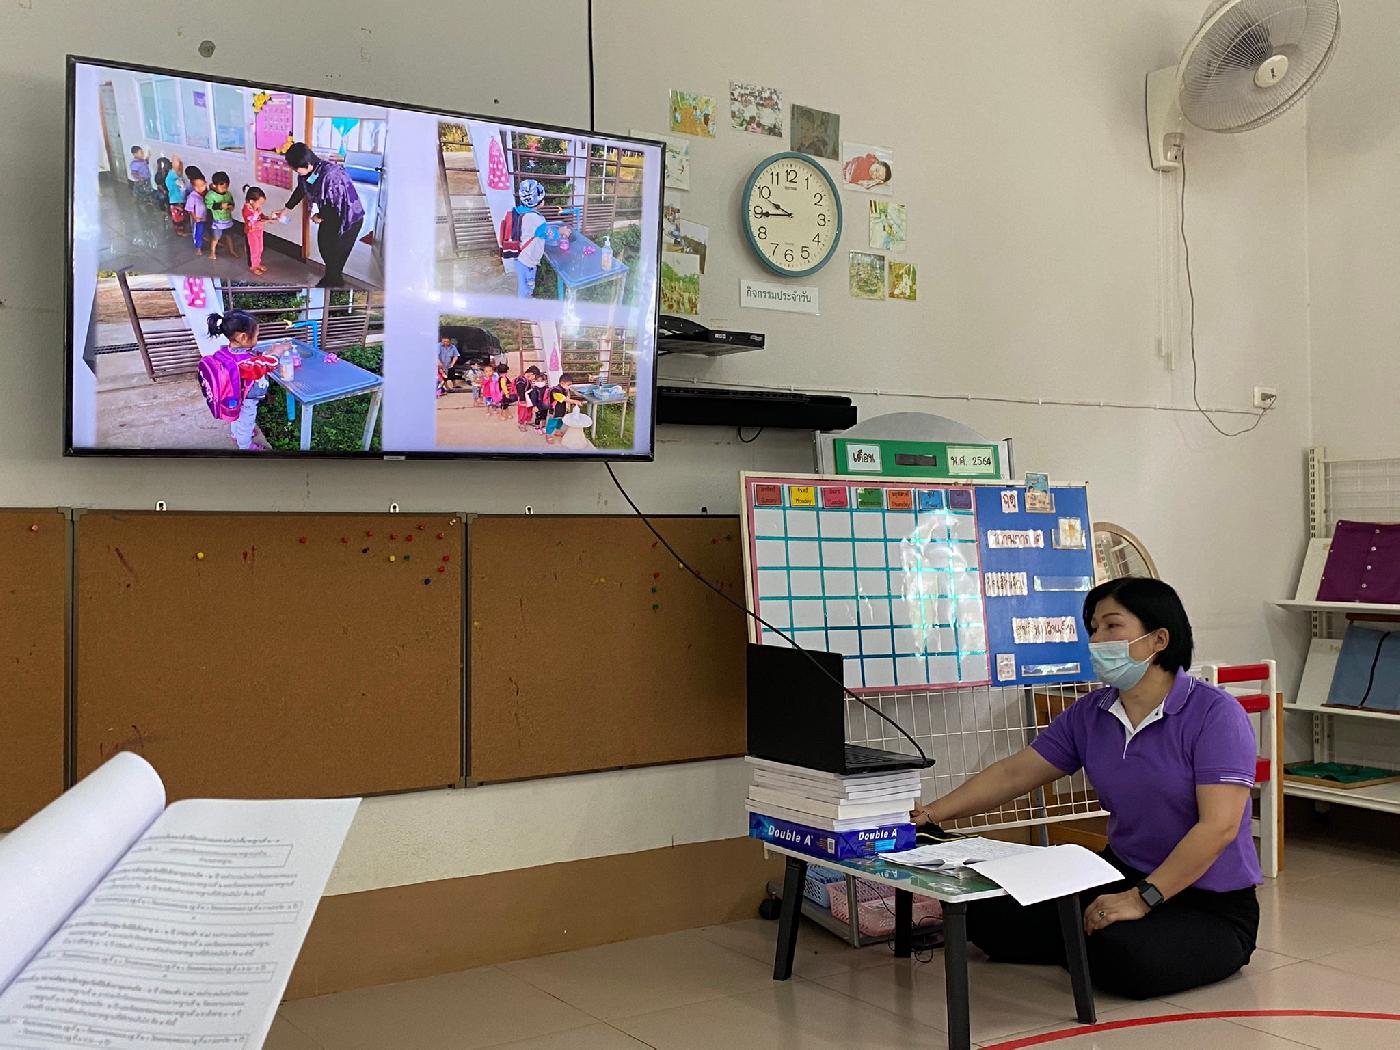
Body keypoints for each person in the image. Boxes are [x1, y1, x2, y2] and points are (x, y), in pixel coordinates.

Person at [909, 577, 1261, 1001]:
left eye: (1112, 626)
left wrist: (1142, 898)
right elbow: (1014, 774)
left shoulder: (1216, 714)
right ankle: (1081, 938)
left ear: (1159, 639)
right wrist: (932, 814)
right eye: (1093, 628)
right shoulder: (1092, 712)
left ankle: (1088, 938)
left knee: (1127, 958)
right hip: (1120, 872)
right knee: (985, 915)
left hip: (1208, 901)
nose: (1097, 640)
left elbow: (1219, 828)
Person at [273, 142, 366, 288]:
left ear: (308, 164)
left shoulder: (331, 175)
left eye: (296, 169)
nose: (296, 172)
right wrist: (286, 209)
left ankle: (332, 282)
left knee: (336, 254)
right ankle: (333, 279)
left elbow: (335, 204)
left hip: (349, 217)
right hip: (330, 214)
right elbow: (301, 190)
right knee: (325, 247)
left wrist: (319, 216)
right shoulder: (307, 173)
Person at [207, 310, 278, 451]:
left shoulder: (224, 352)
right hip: (247, 400)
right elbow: (266, 365)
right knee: (246, 423)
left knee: (236, 417)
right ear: (243, 337)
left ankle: (236, 435)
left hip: (234, 398)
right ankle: (245, 446)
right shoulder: (243, 363)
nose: (257, 338)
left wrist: (264, 354)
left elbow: (251, 359)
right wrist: (277, 353)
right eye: (256, 336)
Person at [205, 172, 240, 261]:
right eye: (222, 187)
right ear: (214, 185)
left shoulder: (228, 194)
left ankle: (232, 250)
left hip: (228, 219)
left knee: (229, 236)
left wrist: (231, 206)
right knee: (216, 238)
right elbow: (209, 205)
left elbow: (232, 203)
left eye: (226, 187)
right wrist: (220, 206)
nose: (225, 189)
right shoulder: (211, 195)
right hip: (217, 221)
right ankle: (212, 252)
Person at [242, 186, 271, 275]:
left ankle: (258, 264)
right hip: (251, 232)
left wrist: (267, 218)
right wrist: (266, 221)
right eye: (260, 203)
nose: (260, 206)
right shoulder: (247, 210)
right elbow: (252, 223)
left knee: (260, 248)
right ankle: (253, 266)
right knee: (254, 250)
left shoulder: (256, 207)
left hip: (259, 230)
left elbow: (260, 215)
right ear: (252, 201)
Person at [545, 373, 581, 445]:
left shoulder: (564, 389)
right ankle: (548, 435)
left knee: (560, 421)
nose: (569, 386)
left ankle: (557, 431)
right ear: (562, 383)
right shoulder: (555, 390)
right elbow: (562, 398)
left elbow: (566, 398)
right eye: (568, 385)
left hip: (561, 410)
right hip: (555, 411)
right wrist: (574, 401)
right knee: (552, 423)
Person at [184, 166, 209, 256]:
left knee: (208, 230)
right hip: (198, 219)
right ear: (193, 187)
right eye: (197, 187)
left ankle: (207, 240)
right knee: (198, 233)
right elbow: (190, 209)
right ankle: (198, 247)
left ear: (205, 184)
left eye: (202, 186)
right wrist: (195, 217)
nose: (200, 188)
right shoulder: (192, 196)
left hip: (207, 216)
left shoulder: (207, 193)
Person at [164, 155, 189, 236]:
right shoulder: (171, 176)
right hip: (176, 201)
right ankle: (179, 231)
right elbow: (176, 165)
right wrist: (177, 160)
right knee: (178, 218)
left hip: (180, 200)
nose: (181, 169)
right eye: (180, 168)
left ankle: (182, 230)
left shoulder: (177, 176)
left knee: (181, 216)